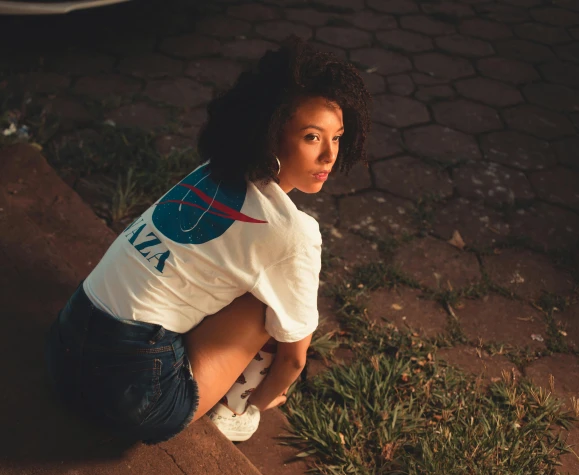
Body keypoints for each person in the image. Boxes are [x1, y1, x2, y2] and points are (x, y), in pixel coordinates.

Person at [44, 36, 371, 444]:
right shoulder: (294, 234)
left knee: (243, 276)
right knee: (270, 303)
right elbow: (292, 360)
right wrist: (263, 401)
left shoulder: (210, 173)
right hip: (134, 397)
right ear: (270, 133)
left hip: (63, 347)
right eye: (311, 137)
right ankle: (234, 413)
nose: (329, 156)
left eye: (337, 137)